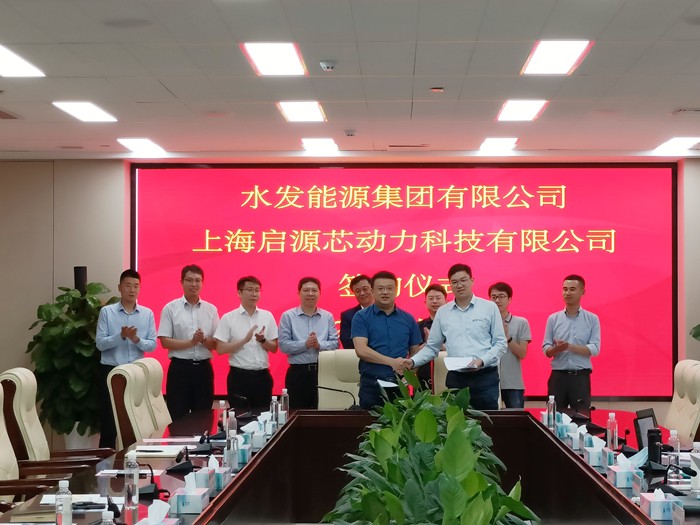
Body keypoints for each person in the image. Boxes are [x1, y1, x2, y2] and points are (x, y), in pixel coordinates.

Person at [408, 263, 506, 411]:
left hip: (484, 377)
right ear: (450, 285)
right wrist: (412, 361)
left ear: (472, 280)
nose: (459, 285)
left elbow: (500, 343)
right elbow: (432, 347)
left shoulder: (489, 307)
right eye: (454, 282)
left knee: (487, 420)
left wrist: (481, 361)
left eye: (463, 280)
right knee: (456, 421)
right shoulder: (443, 312)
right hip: (456, 377)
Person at [95, 269, 157, 448]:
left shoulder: (147, 313)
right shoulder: (107, 312)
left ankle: (134, 461)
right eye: (128, 285)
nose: (132, 290)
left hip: (136, 374)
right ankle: (105, 463)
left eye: (136, 286)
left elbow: (152, 345)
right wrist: (120, 336)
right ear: (119, 288)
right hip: (112, 373)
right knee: (110, 424)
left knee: (135, 423)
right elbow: (100, 344)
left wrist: (136, 340)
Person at [157, 264, 219, 421]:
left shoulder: (211, 309)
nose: (194, 284)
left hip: (203, 370)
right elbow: (165, 342)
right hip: (180, 370)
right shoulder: (170, 308)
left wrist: (203, 339)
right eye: (189, 280)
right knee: (178, 417)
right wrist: (191, 342)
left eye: (198, 280)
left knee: (203, 418)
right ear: (181, 282)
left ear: (202, 283)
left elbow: (217, 345)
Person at [352, 271, 422, 409]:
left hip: (400, 384)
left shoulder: (408, 319)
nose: (385, 292)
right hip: (371, 385)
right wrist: (392, 362)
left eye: (390, 288)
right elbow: (361, 350)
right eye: (380, 288)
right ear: (372, 291)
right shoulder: (361, 317)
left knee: (401, 421)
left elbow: (416, 353)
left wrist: (409, 375)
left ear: (396, 291)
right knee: (369, 421)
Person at [214, 276, 278, 412]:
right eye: (250, 290)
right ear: (239, 292)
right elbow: (220, 348)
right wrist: (244, 341)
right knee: (239, 417)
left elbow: (274, 348)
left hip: (262, 377)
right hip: (239, 378)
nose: (254, 294)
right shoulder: (228, 318)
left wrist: (263, 340)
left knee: (263, 417)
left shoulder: (267, 316)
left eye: (257, 290)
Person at [279, 277, 339, 409]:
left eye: (314, 290)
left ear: (320, 293)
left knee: (323, 410)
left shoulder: (327, 316)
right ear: (298, 293)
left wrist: (319, 345)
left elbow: (335, 344)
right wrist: (305, 344)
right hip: (298, 373)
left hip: (323, 371)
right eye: (306, 290)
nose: (310, 293)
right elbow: (283, 345)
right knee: (297, 412)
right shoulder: (288, 316)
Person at [543, 274, 600, 412]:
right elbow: (546, 348)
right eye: (565, 289)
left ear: (582, 292)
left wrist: (569, 347)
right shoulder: (553, 319)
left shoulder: (592, 319)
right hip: (558, 377)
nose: (567, 293)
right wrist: (557, 349)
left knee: (581, 417)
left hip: (580, 377)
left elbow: (595, 348)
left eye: (572, 289)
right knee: (553, 417)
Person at [489, 282, 531, 408]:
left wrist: (508, 338)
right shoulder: (484, 323)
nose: (497, 300)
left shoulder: (521, 322)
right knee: (489, 418)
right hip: (488, 382)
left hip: (513, 383)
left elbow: (522, 353)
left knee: (515, 418)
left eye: (501, 296)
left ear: (509, 299)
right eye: (494, 297)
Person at [417, 284, 447, 391]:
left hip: (449, 377)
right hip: (423, 380)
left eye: (438, 298)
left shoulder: (454, 325)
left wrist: (437, 344)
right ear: (425, 302)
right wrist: (427, 343)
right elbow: (413, 353)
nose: (434, 301)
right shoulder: (418, 326)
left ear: (446, 301)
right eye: (431, 298)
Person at [339, 274, 373, 349]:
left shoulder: (385, 311)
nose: (362, 293)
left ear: (372, 289)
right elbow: (347, 342)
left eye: (365, 289)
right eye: (358, 291)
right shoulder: (348, 316)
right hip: (359, 355)